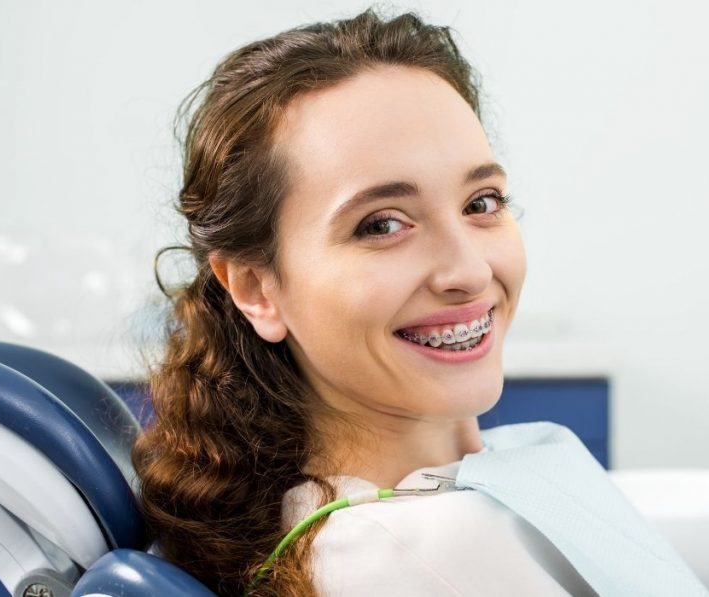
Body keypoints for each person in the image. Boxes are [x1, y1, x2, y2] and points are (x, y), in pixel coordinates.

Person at [133, 8, 595, 596]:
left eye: (481, 203)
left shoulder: (466, 491)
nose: (469, 271)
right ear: (256, 289)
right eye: (381, 224)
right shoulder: (420, 553)